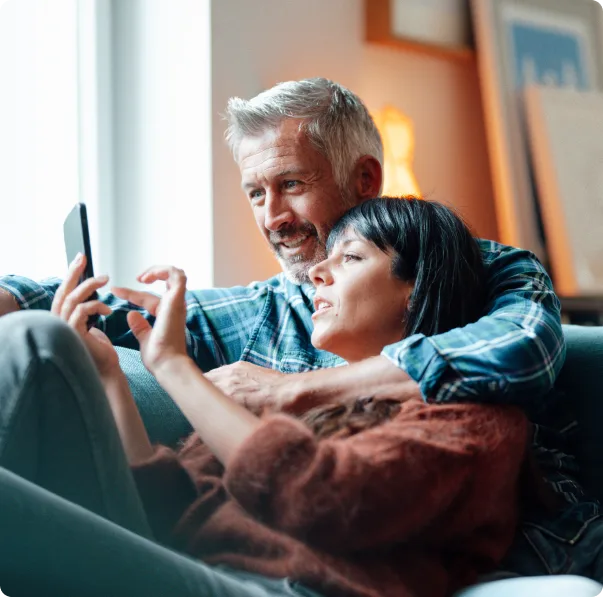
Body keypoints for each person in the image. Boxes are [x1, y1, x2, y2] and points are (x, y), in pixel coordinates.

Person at [0, 79, 599, 581]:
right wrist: (78, 338)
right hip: (236, 560)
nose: (271, 218)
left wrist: (290, 389)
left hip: (520, 550)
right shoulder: (278, 306)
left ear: (365, 179)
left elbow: (518, 352)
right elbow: (174, 496)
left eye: (290, 185)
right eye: (256, 193)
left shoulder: (478, 273)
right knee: (39, 338)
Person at [0, 198, 532, 597]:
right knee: (51, 346)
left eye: (350, 258)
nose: (317, 272)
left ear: (416, 289)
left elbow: (322, 497)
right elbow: (171, 509)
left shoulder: (470, 421)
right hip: (187, 565)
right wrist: (111, 375)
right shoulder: (313, 405)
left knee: (35, 341)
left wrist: (175, 366)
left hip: (287, 590)